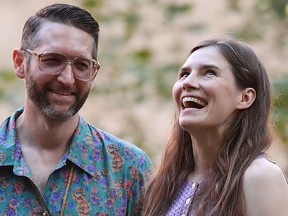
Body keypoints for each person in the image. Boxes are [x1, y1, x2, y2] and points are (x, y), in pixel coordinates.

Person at [0, 3, 152, 216]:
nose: (67, 79)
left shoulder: (129, 169)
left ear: (94, 72)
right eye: (52, 60)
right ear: (20, 62)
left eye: (81, 65)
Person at [143, 38, 288, 216]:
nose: (187, 83)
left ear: (245, 98)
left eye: (209, 73)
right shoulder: (164, 184)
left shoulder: (260, 177)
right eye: (184, 74)